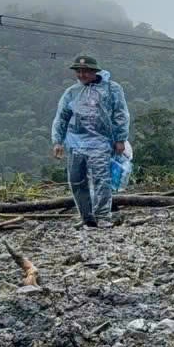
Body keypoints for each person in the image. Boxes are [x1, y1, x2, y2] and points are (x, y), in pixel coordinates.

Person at [51, 54, 130, 228]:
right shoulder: (72, 92)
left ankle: (102, 216)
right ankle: (87, 217)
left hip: (100, 142)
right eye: (78, 71)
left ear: (95, 71)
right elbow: (62, 117)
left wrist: (120, 139)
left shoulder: (111, 88)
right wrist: (58, 141)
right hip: (75, 143)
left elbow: (120, 114)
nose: (81, 75)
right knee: (76, 180)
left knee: (102, 180)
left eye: (85, 71)